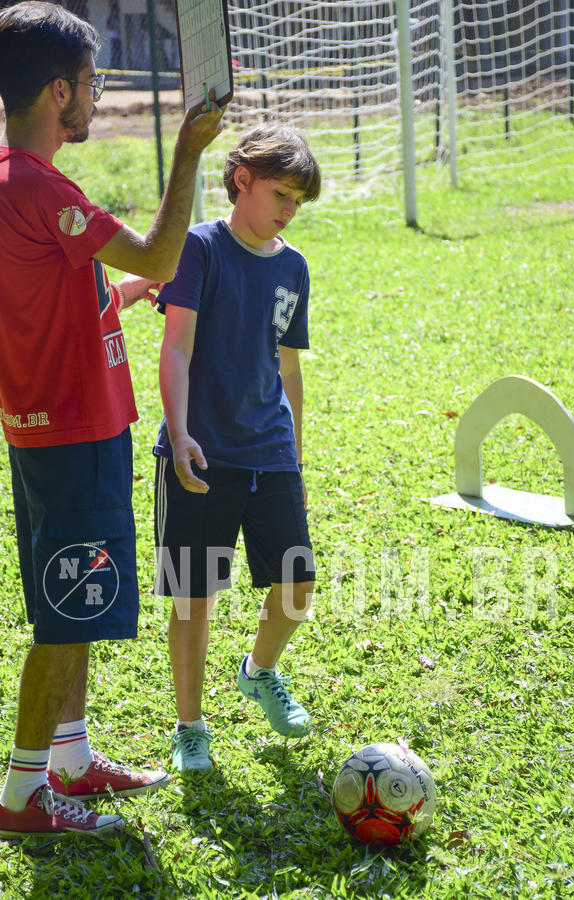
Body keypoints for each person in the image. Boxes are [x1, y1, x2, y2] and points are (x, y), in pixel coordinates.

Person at [0, 1, 223, 837]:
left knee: (77, 597)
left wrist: (113, 294)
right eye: (91, 84)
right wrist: (190, 151)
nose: (96, 98)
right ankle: (23, 797)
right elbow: (164, 252)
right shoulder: (38, 184)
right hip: (72, 434)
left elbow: (51, 288)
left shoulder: (14, 182)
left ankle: (69, 757)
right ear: (59, 92)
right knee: (65, 610)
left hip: (47, 425)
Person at [153, 122, 321, 773]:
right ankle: (190, 726)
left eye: (296, 202)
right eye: (280, 193)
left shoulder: (293, 266)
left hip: (270, 450)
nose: (286, 210)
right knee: (194, 598)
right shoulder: (199, 248)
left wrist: (297, 461)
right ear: (241, 179)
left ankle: (259, 670)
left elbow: (290, 369)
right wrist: (182, 428)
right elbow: (177, 345)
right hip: (202, 454)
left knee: (297, 584)